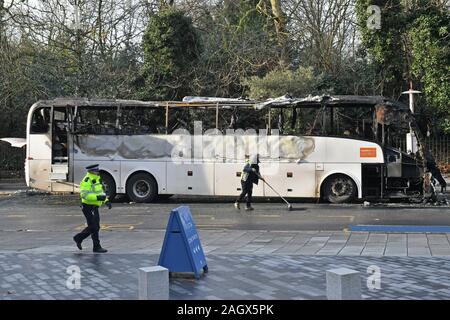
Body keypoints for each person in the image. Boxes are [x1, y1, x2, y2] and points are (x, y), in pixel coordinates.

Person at [73, 164, 112, 253]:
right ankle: (79, 238)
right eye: (96, 170)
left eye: (97, 170)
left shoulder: (97, 179)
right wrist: (98, 198)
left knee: (95, 227)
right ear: (91, 171)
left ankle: (95, 246)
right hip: (88, 206)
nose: (98, 172)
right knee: (94, 226)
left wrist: (106, 201)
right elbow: (85, 195)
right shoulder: (86, 181)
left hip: (94, 206)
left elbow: (101, 192)